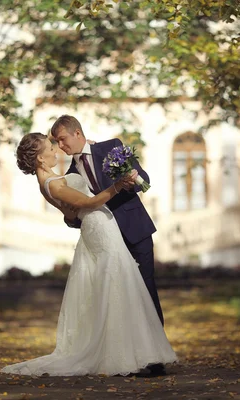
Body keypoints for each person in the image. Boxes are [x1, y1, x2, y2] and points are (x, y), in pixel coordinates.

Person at [0, 132, 177, 377]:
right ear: (40, 159)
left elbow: (71, 214)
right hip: (100, 230)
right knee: (117, 287)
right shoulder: (51, 183)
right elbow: (89, 203)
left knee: (123, 287)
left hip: (105, 227)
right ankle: (124, 354)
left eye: (58, 143)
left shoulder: (53, 178)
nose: (56, 150)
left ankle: (141, 352)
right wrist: (116, 187)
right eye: (51, 147)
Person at [51, 115, 167, 376]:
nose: (61, 146)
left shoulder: (110, 147)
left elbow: (144, 180)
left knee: (147, 290)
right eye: (57, 142)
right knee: (122, 295)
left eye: (62, 139)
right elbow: (77, 216)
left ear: (77, 133)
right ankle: (131, 355)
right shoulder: (70, 174)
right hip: (106, 241)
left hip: (135, 230)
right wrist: (72, 217)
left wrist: (133, 178)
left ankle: (156, 357)